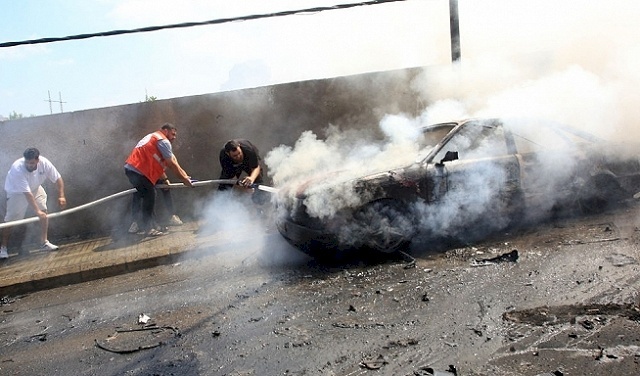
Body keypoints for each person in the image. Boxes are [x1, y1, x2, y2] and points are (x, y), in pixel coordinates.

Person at [124, 123, 193, 237]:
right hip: (137, 170)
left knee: (148, 193)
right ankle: (147, 228)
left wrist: (183, 176)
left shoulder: (155, 139)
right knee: (149, 195)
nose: (174, 137)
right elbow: (171, 164)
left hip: (136, 170)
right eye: (173, 134)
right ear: (165, 131)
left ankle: (153, 224)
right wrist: (184, 179)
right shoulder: (163, 140)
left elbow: (173, 161)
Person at [0, 148, 66, 259]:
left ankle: (44, 242)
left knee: (44, 211)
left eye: (31, 163)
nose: (29, 165)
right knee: (10, 220)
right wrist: (37, 211)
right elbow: (27, 194)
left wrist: (61, 196)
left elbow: (58, 179)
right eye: (27, 162)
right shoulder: (17, 168)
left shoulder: (44, 163)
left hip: (35, 188)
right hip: (17, 192)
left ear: (37, 160)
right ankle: (3, 248)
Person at [218, 139, 268, 205]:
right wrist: (241, 186)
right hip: (233, 167)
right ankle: (220, 203)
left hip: (249, 163)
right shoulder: (223, 156)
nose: (238, 157)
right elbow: (231, 177)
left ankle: (259, 202)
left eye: (239, 153)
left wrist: (251, 179)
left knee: (257, 179)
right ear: (228, 154)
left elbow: (256, 167)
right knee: (225, 185)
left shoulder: (248, 150)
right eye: (235, 156)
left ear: (239, 146)